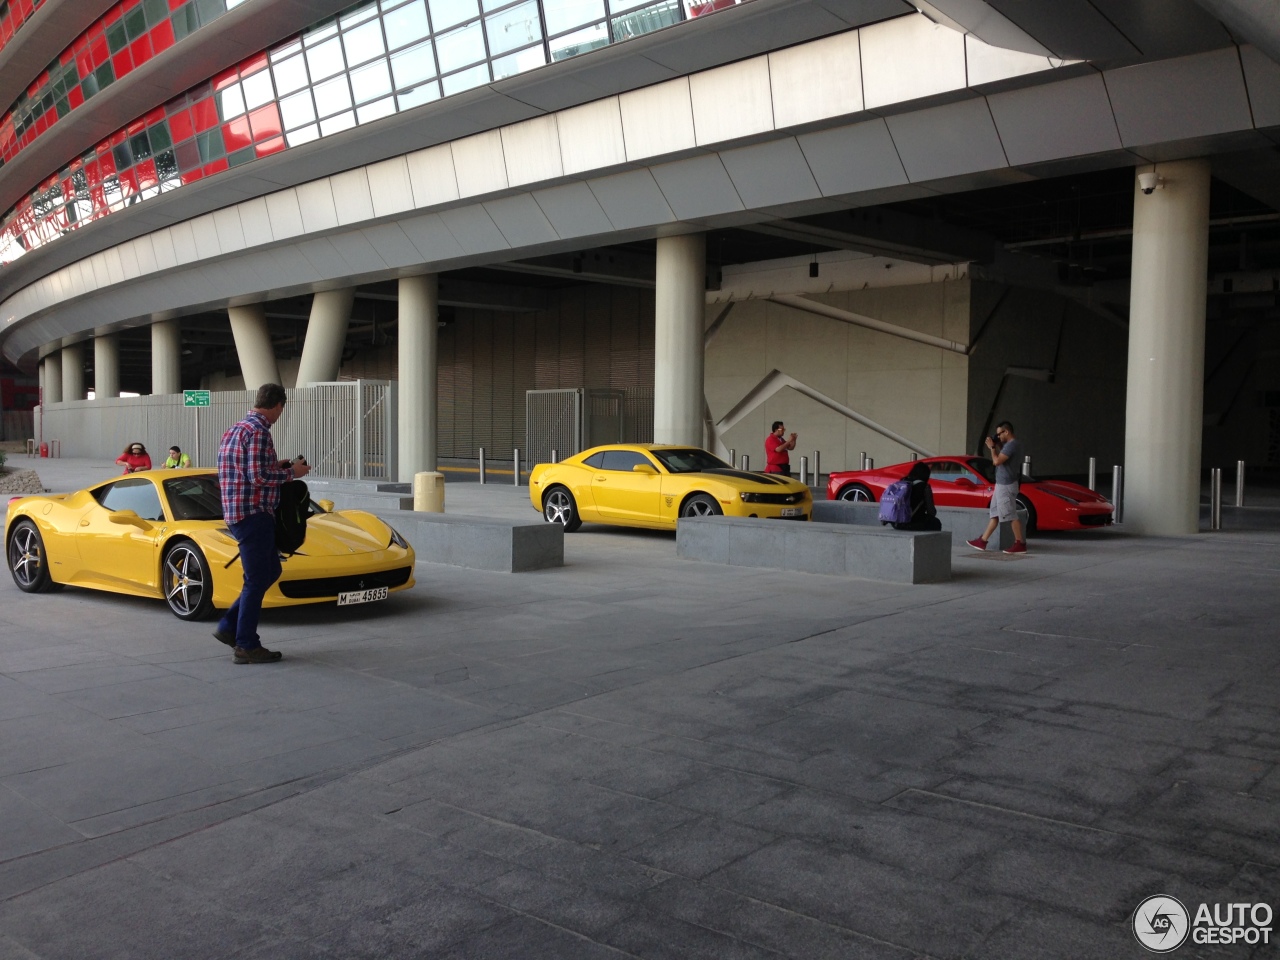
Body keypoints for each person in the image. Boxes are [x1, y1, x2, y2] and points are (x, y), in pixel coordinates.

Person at [214, 383, 309, 664]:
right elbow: (258, 478)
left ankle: (230, 626)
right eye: (282, 409)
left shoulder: (236, 429)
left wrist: (277, 465)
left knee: (270, 570)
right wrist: (293, 472)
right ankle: (245, 644)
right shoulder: (259, 431)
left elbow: (247, 470)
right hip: (253, 513)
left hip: (237, 511)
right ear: (278, 405)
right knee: (257, 579)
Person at [967, 421, 1026, 554]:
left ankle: (1020, 544)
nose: (998, 436)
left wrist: (992, 448)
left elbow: (997, 461)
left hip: (1006, 485)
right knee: (995, 513)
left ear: (1007, 432)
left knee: (1010, 514)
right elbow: (1005, 458)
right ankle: (983, 541)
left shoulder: (1011, 446)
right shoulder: (1014, 445)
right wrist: (998, 445)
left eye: (999, 434)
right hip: (1001, 484)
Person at [892, 462, 942, 531]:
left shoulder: (902, 482)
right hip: (911, 523)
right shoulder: (924, 487)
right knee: (936, 522)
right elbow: (931, 512)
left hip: (896, 523)